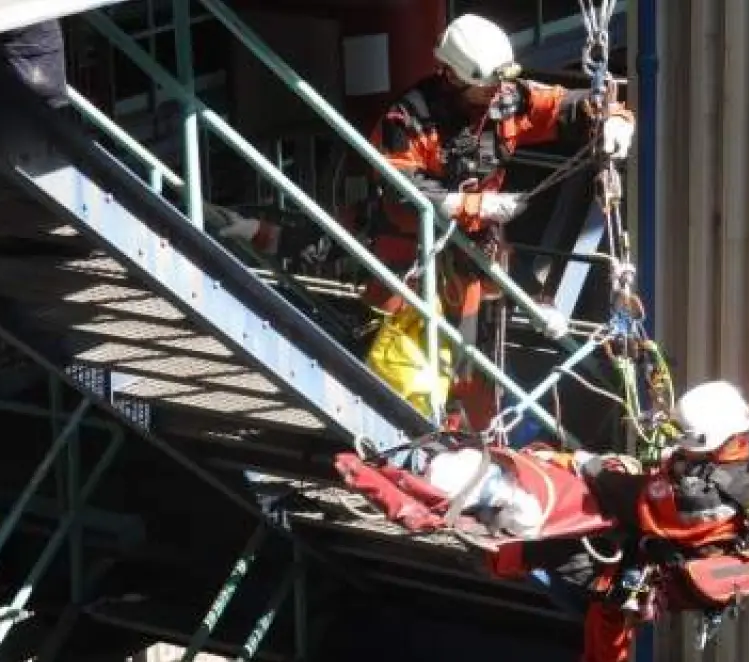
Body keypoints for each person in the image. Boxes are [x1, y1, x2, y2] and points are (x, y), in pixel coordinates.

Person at [211, 12, 637, 427]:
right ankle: (393, 426)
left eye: (498, 84)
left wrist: (613, 121)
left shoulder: (509, 98)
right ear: (453, 76)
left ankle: (470, 438)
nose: (495, 93)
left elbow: (571, 105)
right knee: (375, 324)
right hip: (408, 255)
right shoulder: (408, 120)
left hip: (471, 253)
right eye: (485, 86)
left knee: (469, 362)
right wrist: (474, 205)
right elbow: (402, 188)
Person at [482, 380, 749, 662]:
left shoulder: (694, 498)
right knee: (604, 597)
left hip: (669, 564)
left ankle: (496, 557)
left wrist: (585, 464)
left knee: (579, 570)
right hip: (682, 538)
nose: (679, 443)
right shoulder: (743, 454)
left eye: (684, 438)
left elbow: (631, 498)